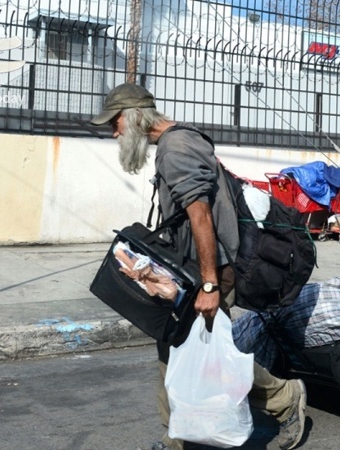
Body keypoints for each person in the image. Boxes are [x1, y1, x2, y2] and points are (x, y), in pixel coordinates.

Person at [90, 83, 307, 450]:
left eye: (115, 123)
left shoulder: (176, 149)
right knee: (176, 346)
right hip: (193, 269)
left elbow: (201, 217)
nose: (114, 132)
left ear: (135, 116)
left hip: (210, 271)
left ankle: (285, 398)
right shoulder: (176, 144)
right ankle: (176, 436)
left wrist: (208, 285)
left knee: (207, 354)